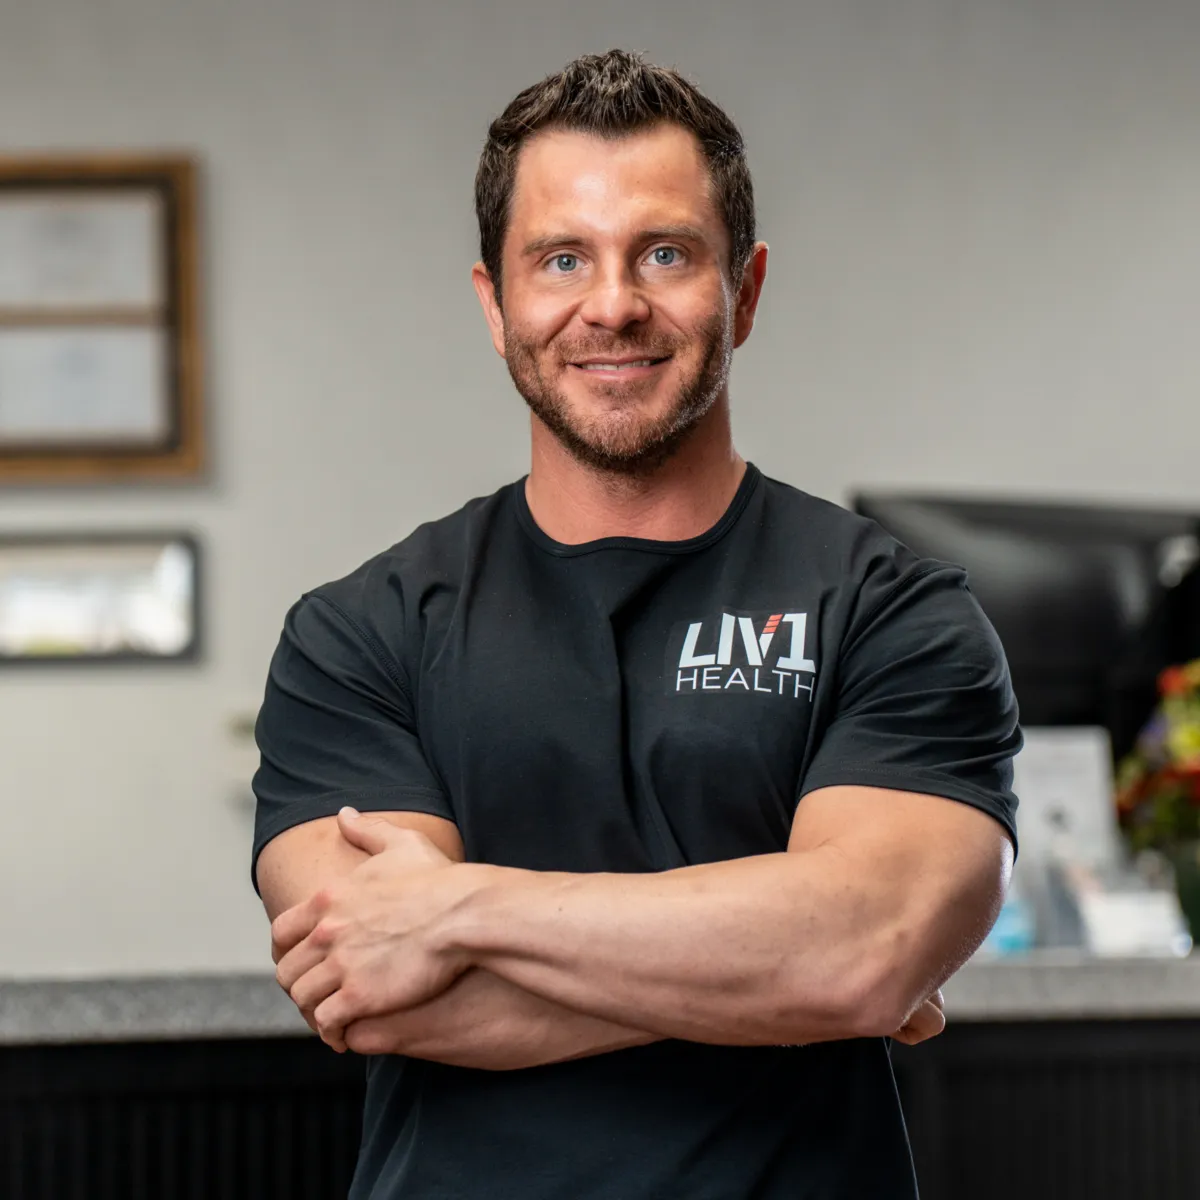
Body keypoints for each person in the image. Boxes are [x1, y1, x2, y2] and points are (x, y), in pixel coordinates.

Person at [254, 48, 1021, 1200]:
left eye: (665, 253)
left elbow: (862, 952)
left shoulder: (894, 613)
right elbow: (376, 987)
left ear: (745, 291)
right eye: (562, 258)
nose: (612, 304)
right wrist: (791, 974)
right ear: (495, 303)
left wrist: (456, 909)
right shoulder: (359, 635)